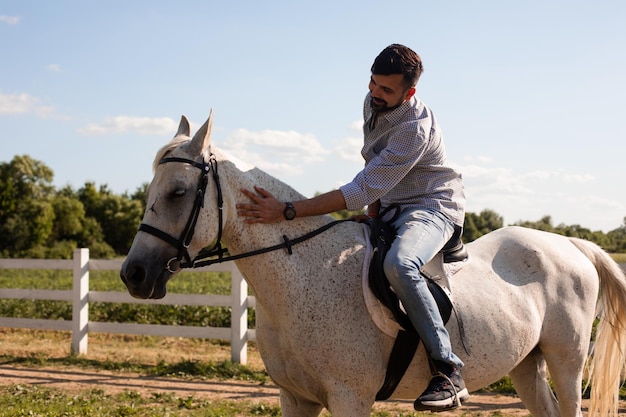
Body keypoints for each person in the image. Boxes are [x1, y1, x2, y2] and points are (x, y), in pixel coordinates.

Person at [236, 43, 468, 411]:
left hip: (430, 206)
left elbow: (359, 189)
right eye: (373, 83)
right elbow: (372, 168)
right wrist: (375, 216)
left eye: (386, 89)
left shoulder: (414, 129)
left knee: (399, 265)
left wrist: (287, 210)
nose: (375, 93)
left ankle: (447, 370)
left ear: (409, 93)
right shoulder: (372, 103)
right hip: (390, 206)